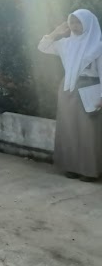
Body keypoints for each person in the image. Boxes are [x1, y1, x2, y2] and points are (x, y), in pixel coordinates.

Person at [38, 9, 102, 182]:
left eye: (78, 22)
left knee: (88, 131)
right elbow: (42, 47)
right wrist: (56, 33)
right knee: (69, 130)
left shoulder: (98, 44)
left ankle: (89, 171)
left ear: (88, 23)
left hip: (89, 90)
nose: (74, 26)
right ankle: (71, 167)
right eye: (72, 22)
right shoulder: (66, 43)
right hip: (68, 89)